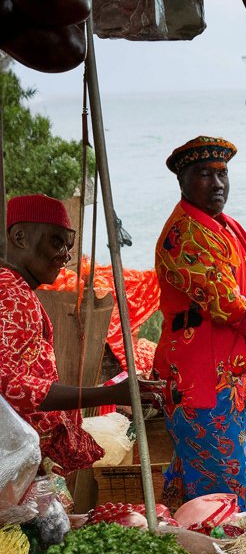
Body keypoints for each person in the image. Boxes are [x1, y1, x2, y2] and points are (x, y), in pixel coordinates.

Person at [153, 136, 246, 514]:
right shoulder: (185, 235)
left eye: (222, 174)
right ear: (182, 181)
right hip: (199, 374)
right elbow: (227, 303)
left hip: (230, 376)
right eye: (204, 174)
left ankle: (232, 547)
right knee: (224, 476)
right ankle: (231, 551)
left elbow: (238, 283)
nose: (217, 184)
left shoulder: (222, 225)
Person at [0, 194, 162, 475]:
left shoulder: (17, 288)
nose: (66, 254)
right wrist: (107, 393)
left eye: (69, 244)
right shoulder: (11, 294)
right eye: (56, 241)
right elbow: (13, 387)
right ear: (19, 237)